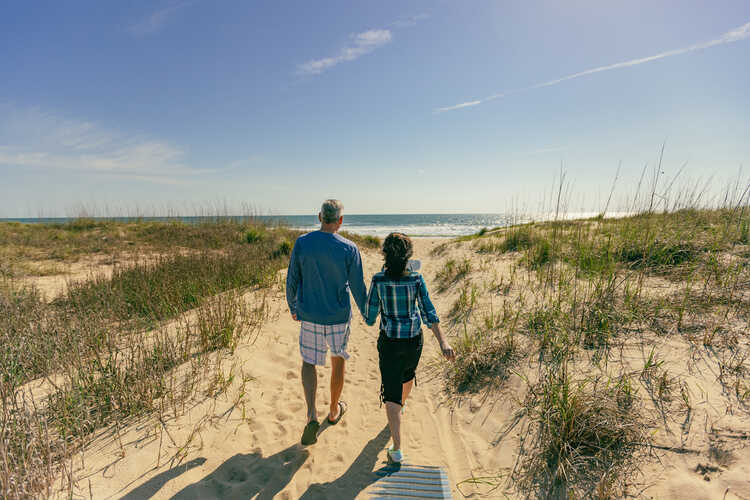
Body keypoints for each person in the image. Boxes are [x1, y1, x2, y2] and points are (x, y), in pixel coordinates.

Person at [364, 232, 455, 464]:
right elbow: (429, 312)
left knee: (391, 396)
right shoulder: (416, 279)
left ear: (385, 255)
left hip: (390, 343)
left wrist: (368, 307)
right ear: (408, 256)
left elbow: (370, 317)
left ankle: (396, 449)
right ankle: (399, 409)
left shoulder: (378, 280)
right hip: (414, 342)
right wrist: (443, 342)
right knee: (407, 376)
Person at [286, 199, 368, 445]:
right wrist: (368, 312)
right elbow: (358, 286)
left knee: (309, 362)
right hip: (338, 317)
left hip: (309, 314)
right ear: (340, 221)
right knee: (338, 360)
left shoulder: (302, 243)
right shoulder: (349, 248)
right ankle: (333, 411)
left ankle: (312, 414)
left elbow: (292, 278)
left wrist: (293, 306)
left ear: (319, 217)